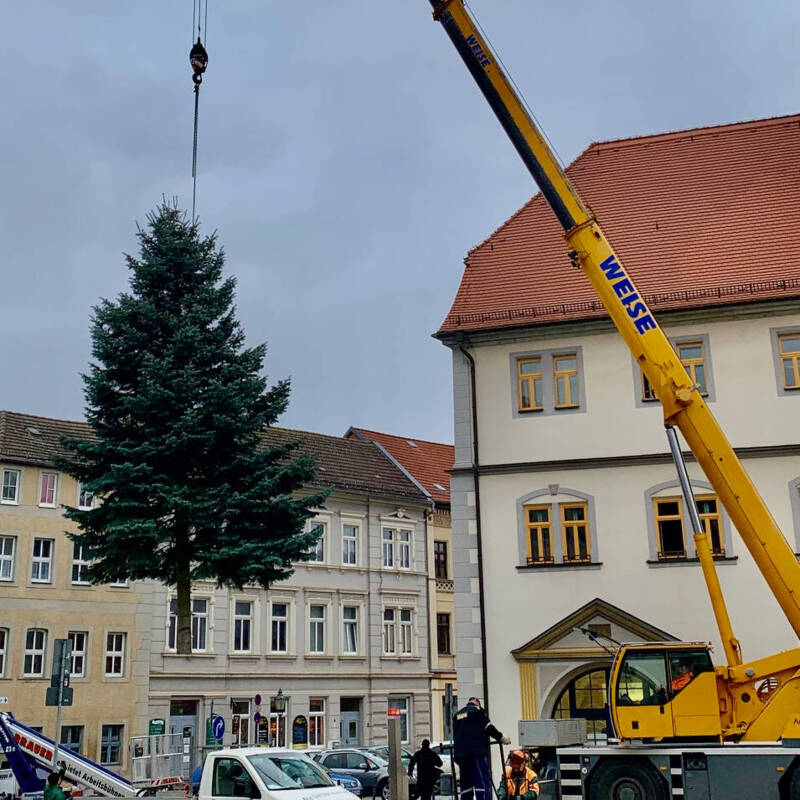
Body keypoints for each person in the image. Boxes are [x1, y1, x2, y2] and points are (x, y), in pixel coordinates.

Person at [453, 697, 510, 800]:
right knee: (482, 783)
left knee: (466, 786)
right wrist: (501, 737)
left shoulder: (457, 715)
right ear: (477, 703)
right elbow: (488, 727)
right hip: (475, 753)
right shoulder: (477, 711)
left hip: (461, 756)